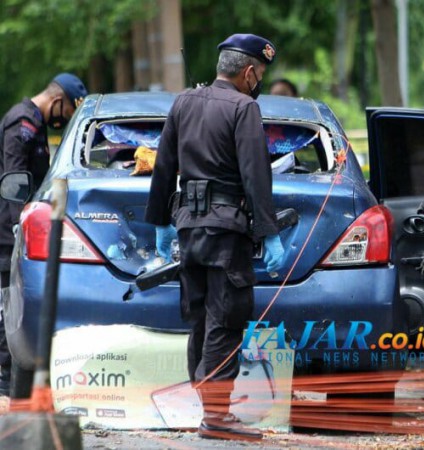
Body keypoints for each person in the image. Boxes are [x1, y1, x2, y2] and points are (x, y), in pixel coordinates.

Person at [145, 33, 285, 441]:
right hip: (226, 231)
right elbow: (255, 176)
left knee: (202, 318)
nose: (257, 82)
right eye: (258, 75)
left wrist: (159, 221)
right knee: (227, 318)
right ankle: (218, 417)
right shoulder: (244, 109)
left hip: (188, 227)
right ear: (248, 72)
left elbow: (163, 165)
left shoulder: (183, 101)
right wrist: (269, 233)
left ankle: (210, 406)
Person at [0, 73, 88, 397]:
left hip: (18, 232)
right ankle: (7, 386)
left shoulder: (34, 124)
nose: (63, 121)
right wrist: (16, 234)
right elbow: (13, 181)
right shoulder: (22, 124)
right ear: (57, 101)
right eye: (66, 114)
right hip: (9, 234)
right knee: (8, 306)